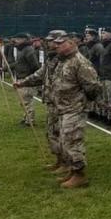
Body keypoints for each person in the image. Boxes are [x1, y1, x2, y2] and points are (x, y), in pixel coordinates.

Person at [21, 33, 100, 188]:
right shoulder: (64, 61)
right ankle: (72, 170)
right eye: (56, 43)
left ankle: (80, 175)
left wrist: (81, 102)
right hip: (63, 108)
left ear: (71, 43)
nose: (56, 46)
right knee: (64, 140)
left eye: (60, 43)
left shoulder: (80, 62)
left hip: (74, 108)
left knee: (73, 141)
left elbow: (93, 87)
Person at [16, 31, 65, 170]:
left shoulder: (67, 59)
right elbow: (40, 74)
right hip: (52, 101)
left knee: (64, 134)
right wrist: (22, 83)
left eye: (52, 41)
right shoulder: (51, 58)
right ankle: (60, 161)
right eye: (48, 41)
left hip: (64, 103)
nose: (49, 43)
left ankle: (69, 165)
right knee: (52, 133)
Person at [9, 33, 41, 126]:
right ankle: (26, 118)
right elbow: (17, 63)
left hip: (26, 79)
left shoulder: (28, 50)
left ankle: (30, 121)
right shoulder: (22, 50)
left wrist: (30, 78)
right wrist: (3, 68)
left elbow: (35, 65)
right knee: (23, 101)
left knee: (27, 101)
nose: (15, 41)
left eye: (18, 39)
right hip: (22, 78)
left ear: (24, 39)